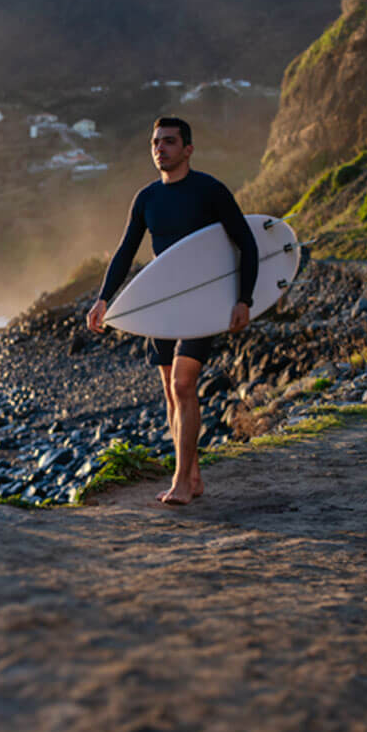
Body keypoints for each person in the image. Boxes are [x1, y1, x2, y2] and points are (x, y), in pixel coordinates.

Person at [86, 116, 257, 506]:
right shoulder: (147, 198)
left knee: (183, 384)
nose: (159, 149)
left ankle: (180, 481)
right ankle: (192, 476)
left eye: (169, 142)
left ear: (188, 149)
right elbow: (126, 250)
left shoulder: (210, 191)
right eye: (155, 143)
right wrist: (103, 298)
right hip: (164, 302)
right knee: (169, 390)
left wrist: (243, 299)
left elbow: (247, 243)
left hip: (202, 299)